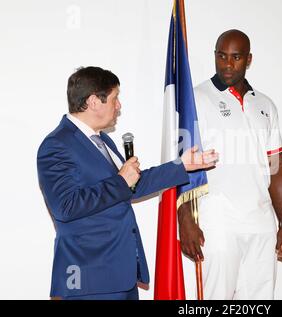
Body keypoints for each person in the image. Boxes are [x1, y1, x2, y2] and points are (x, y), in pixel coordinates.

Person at [37, 66, 218, 300]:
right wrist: (121, 180)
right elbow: (66, 206)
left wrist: (182, 165)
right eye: (115, 98)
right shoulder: (57, 145)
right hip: (89, 278)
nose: (119, 106)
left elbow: (133, 186)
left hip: (121, 273)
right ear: (93, 101)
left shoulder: (103, 141)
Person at [178, 30, 282, 300]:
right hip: (217, 221)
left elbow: (276, 167)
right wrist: (184, 218)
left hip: (261, 223)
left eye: (236, 57)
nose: (227, 64)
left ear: (248, 59)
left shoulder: (265, 104)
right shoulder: (196, 99)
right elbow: (180, 163)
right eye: (221, 56)